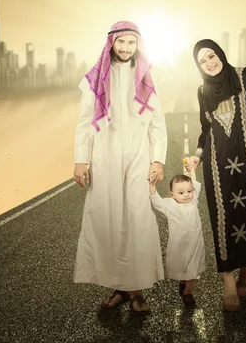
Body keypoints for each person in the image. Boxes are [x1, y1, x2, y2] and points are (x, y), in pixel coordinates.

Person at [72, 20, 168, 316]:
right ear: (111, 43)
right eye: (121, 42)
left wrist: (158, 159)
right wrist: (80, 159)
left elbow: (158, 123)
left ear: (138, 45)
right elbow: (85, 122)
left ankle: (137, 291)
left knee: (137, 220)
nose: (126, 48)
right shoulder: (96, 77)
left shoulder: (145, 77)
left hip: (139, 158)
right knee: (110, 220)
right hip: (106, 158)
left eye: (131, 43)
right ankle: (118, 287)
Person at [186, 39, 246, 312]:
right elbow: (205, 129)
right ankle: (228, 278)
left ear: (221, 54)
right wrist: (198, 154)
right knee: (223, 216)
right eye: (202, 61)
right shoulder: (202, 90)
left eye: (212, 56)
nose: (209, 63)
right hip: (217, 166)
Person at [148, 161, 206, 308]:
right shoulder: (170, 205)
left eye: (189, 191)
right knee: (181, 267)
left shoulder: (194, 202)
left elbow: (195, 183)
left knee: (193, 272)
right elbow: (156, 201)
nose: (187, 195)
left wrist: (192, 170)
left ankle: (187, 293)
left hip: (195, 246)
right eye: (181, 193)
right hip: (179, 246)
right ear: (171, 194)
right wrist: (152, 185)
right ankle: (183, 281)